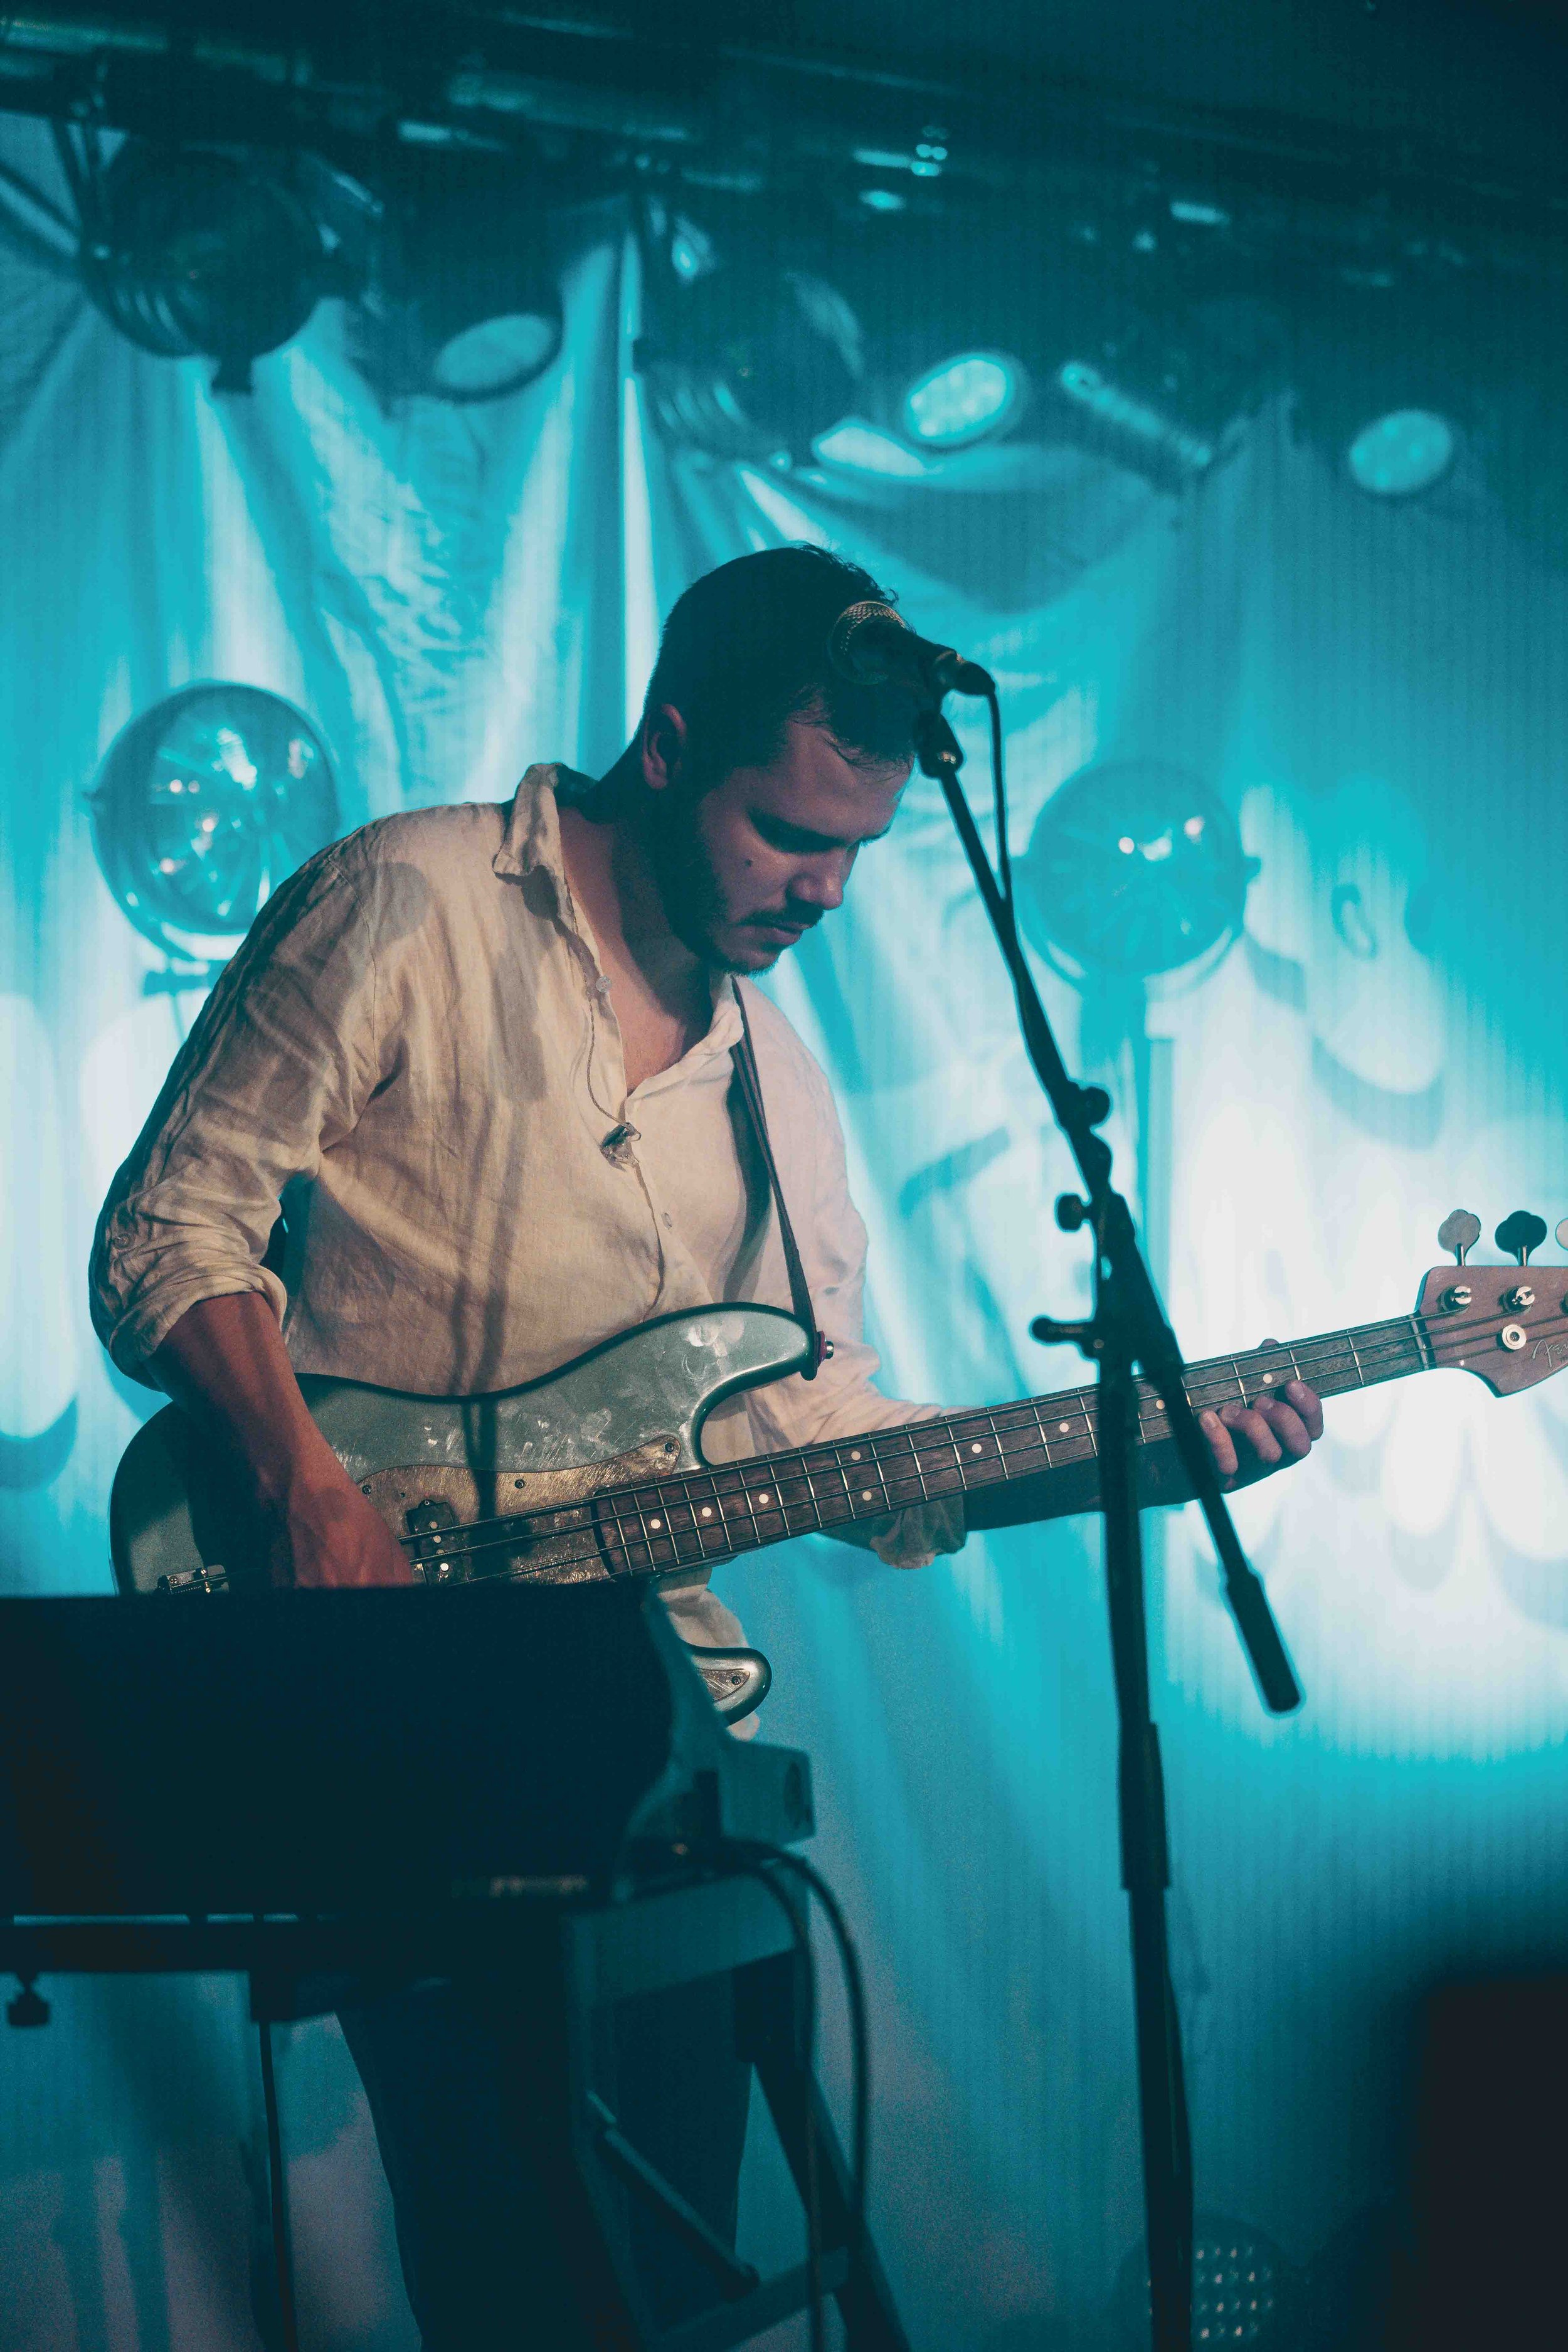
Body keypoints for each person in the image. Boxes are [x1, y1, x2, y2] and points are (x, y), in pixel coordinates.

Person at [90, 545, 1322, 2344]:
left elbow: (829, 1434)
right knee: (517, 2267)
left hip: (649, 1734)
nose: (823, 890)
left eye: (857, 852)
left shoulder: (776, 1081)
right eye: (788, 835)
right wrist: (302, 1489)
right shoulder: (407, 903)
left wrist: (1133, 1457)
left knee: (667, 2276)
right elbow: (167, 1230)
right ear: (667, 749)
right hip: (386, 1693)